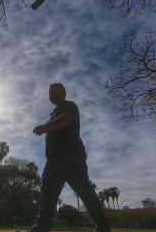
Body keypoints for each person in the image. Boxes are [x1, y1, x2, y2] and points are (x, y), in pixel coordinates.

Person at [29, 83, 110, 232]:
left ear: (63, 92)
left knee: (85, 192)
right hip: (52, 162)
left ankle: (103, 226)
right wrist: (47, 126)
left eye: (54, 91)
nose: (51, 94)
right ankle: (41, 227)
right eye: (49, 92)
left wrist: (43, 128)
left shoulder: (69, 106)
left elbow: (66, 119)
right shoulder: (53, 114)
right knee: (47, 196)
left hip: (72, 158)